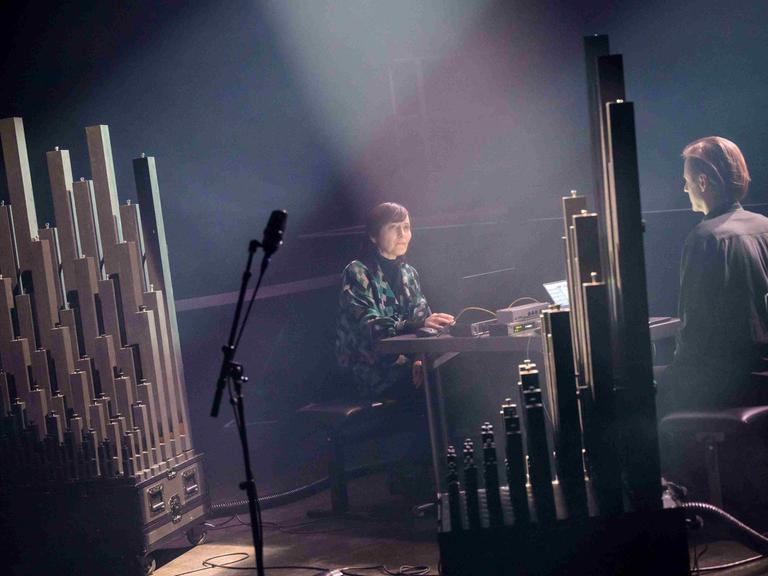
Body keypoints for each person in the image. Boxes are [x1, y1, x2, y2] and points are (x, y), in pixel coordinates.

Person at [658, 136, 768, 413]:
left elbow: (695, 330)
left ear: (703, 182)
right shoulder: (765, 227)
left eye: (687, 181)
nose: (685, 188)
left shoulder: (705, 238)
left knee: (648, 388)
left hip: (731, 382)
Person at [336, 202, 454, 401]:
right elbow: (370, 326)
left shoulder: (409, 273)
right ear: (374, 236)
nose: (402, 234)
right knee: (440, 386)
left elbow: (424, 323)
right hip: (370, 371)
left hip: (405, 366)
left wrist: (419, 358)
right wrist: (416, 326)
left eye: (406, 227)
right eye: (393, 228)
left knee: (453, 371)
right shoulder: (357, 271)